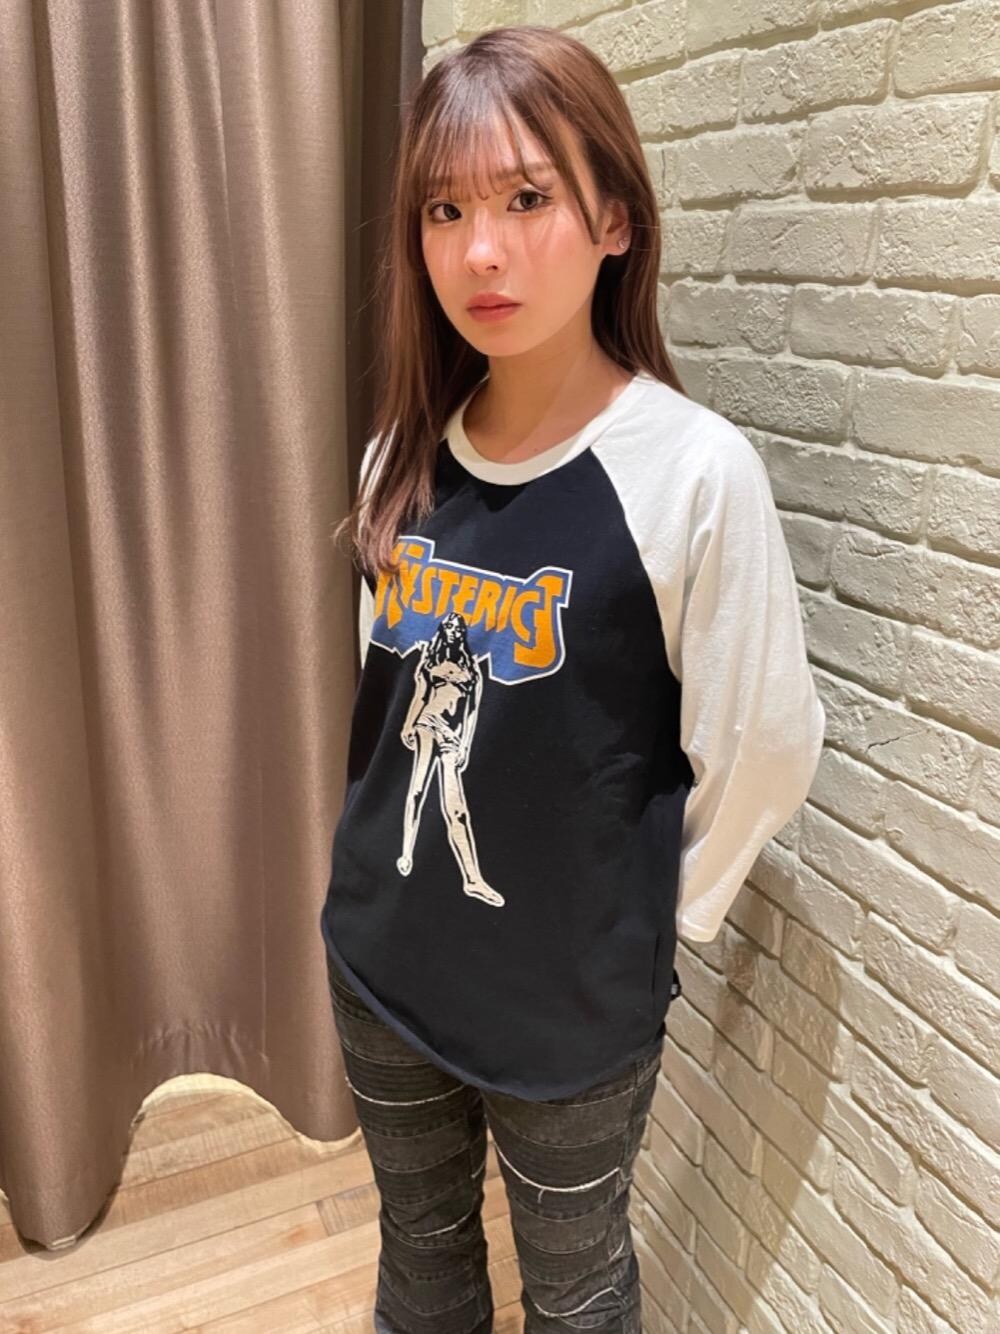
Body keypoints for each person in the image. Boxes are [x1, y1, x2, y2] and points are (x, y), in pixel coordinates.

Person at [320, 24, 826, 1334]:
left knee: (578, 1292)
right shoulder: (397, 457)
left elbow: (767, 744)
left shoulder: (692, 472)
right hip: (383, 964)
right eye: (445, 209)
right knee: (422, 1264)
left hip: (568, 1012)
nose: (479, 251)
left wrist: (652, 924)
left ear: (614, 220)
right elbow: (384, 714)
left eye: (525, 198)